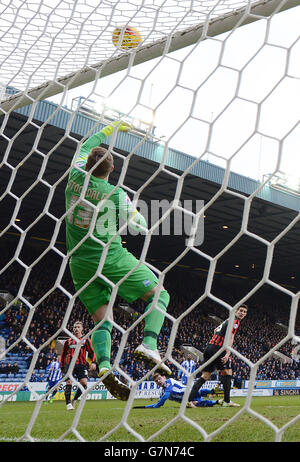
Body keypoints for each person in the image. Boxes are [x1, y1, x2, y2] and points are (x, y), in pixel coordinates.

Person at [65, 119, 171, 400]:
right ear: (112, 170)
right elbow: (139, 225)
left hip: (78, 263)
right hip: (110, 258)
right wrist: (135, 212)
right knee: (159, 294)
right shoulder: (115, 194)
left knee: (102, 320)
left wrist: (111, 127)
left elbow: (85, 144)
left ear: (86, 163)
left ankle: (103, 367)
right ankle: (149, 344)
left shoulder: (74, 176)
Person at [188, 304, 248, 408]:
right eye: (240, 310)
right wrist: (228, 353)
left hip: (209, 348)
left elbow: (215, 330)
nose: (242, 313)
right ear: (236, 311)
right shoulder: (235, 321)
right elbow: (231, 337)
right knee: (228, 372)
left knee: (205, 376)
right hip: (217, 349)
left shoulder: (227, 320)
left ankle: (188, 401)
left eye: (244, 312)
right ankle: (227, 401)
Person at [60, 320, 97, 410]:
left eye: (78, 327)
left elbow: (93, 352)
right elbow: (63, 355)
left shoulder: (86, 340)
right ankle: (68, 404)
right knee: (69, 382)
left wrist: (93, 362)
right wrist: (62, 366)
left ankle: (74, 399)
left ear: (82, 329)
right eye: (75, 327)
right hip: (70, 364)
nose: (76, 329)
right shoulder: (68, 341)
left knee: (84, 383)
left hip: (81, 364)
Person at [139, 372, 221, 408]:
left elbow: (165, 397)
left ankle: (212, 390)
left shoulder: (169, 381)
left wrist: (157, 405)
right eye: (156, 381)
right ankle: (218, 402)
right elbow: (158, 403)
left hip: (188, 392)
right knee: (198, 404)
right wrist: (146, 406)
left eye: (159, 378)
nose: (159, 381)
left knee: (197, 392)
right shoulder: (162, 392)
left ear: (164, 377)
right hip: (186, 401)